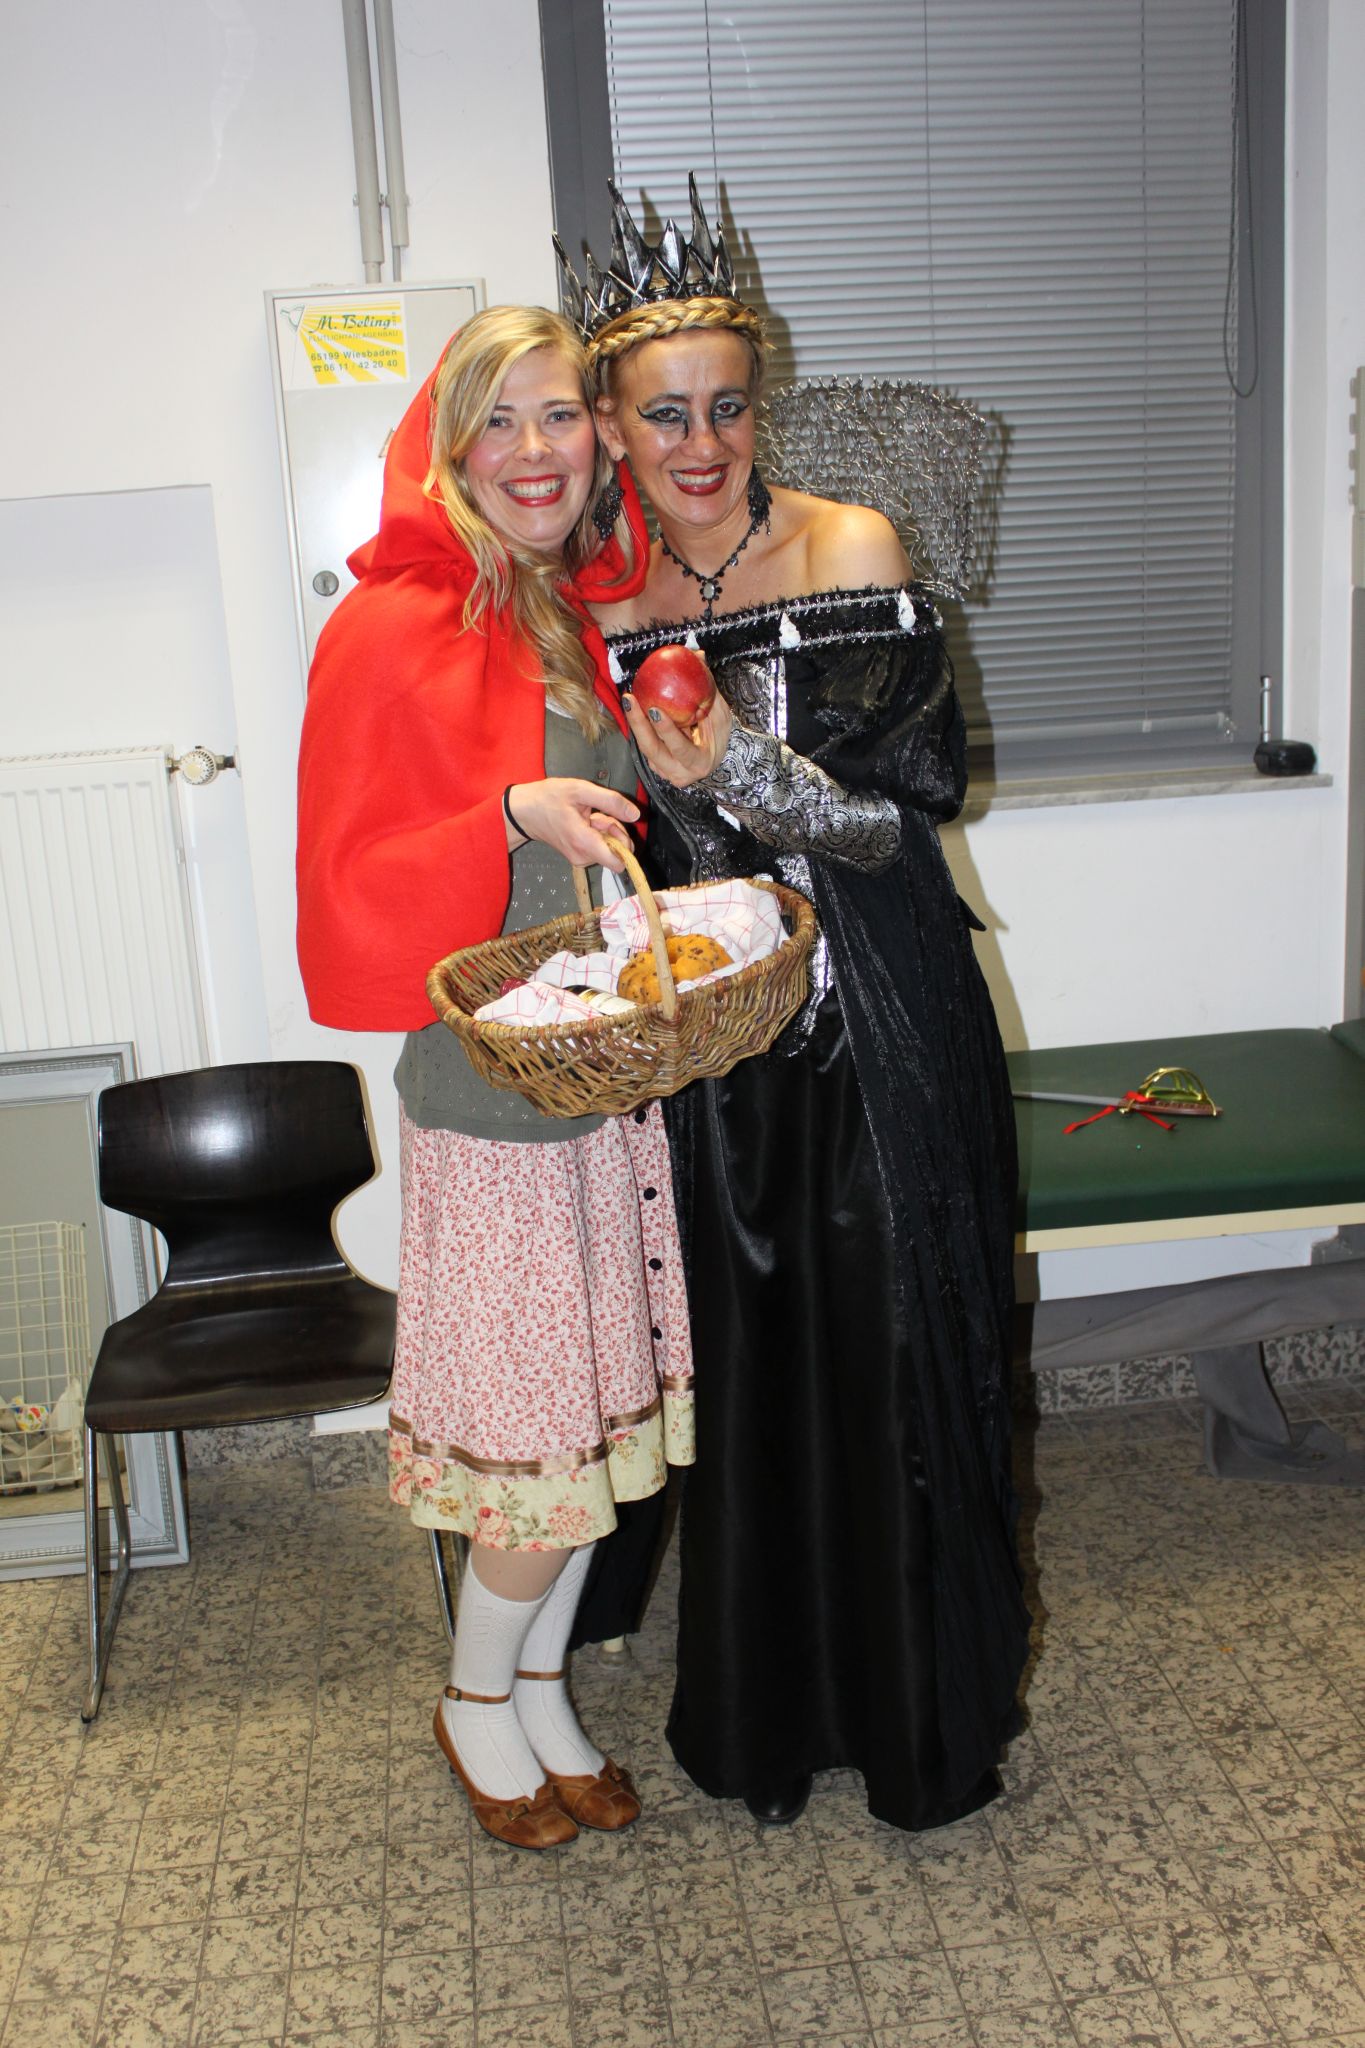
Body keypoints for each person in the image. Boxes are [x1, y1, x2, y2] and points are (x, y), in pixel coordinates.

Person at [564, 181, 1031, 1831]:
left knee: (895, 1352)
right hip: (718, 1056)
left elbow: (904, 815)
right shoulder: (600, 607)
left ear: (762, 404)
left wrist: (736, 769)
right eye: (663, 413)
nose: (701, 445)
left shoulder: (850, 548)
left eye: (728, 406)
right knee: (749, 1367)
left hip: (879, 1029)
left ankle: (914, 1727)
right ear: (611, 427)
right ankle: (764, 1721)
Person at [296, 305, 693, 1851]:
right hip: (493, 1098)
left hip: (593, 1078)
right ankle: (474, 1702)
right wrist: (507, 815)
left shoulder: (559, 607)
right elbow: (350, 871)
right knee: (538, 1447)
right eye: (501, 420)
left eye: (562, 415)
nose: (538, 450)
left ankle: (538, 1693)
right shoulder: (389, 624)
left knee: (586, 1433)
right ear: (449, 448)